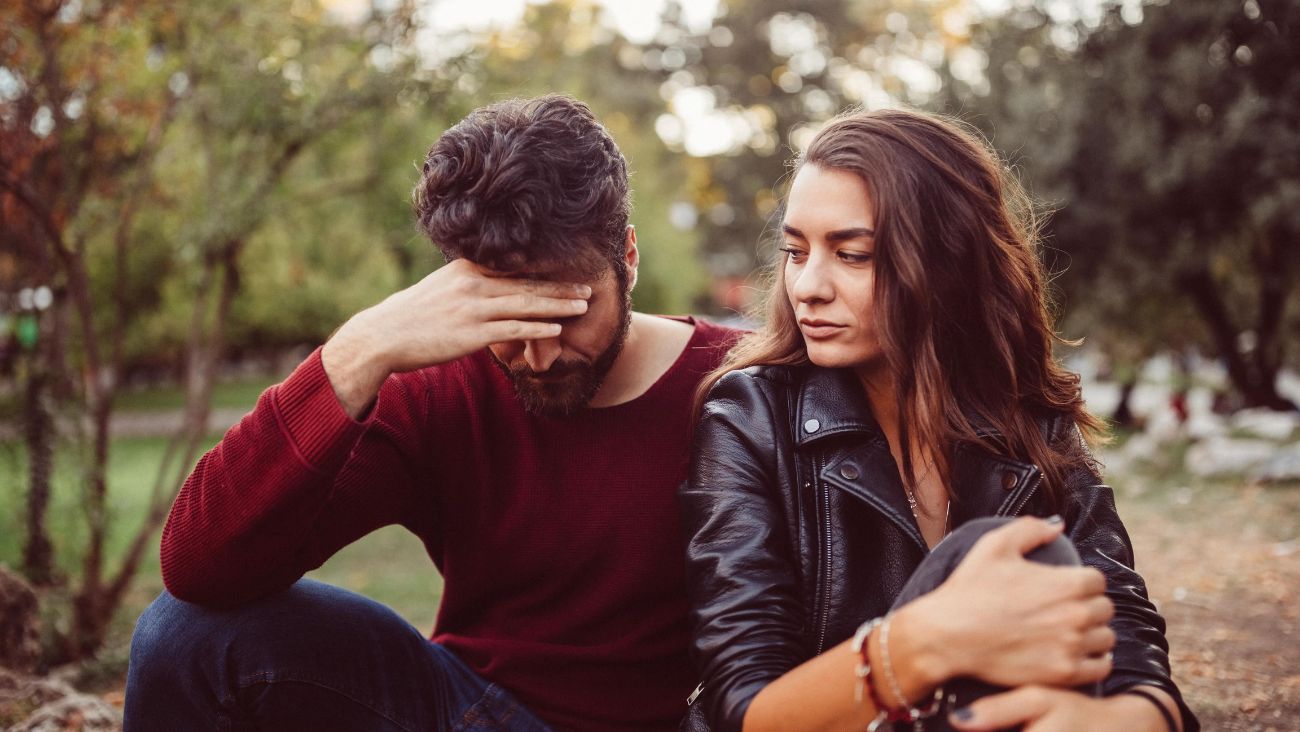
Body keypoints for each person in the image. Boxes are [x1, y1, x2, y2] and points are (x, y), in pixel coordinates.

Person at [124, 95, 740, 732]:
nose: (539, 354)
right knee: (182, 634)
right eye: (506, 315)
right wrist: (359, 349)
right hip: (466, 708)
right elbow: (199, 568)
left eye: (568, 309)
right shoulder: (436, 387)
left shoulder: (737, 386)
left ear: (628, 257)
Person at [680, 108, 1197, 732]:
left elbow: (1119, 625)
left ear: (946, 262)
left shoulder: (1025, 418)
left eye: (853, 255)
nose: (807, 286)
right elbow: (744, 707)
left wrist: (1140, 716)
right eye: (795, 251)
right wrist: (924, 643)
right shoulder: (748, 416)